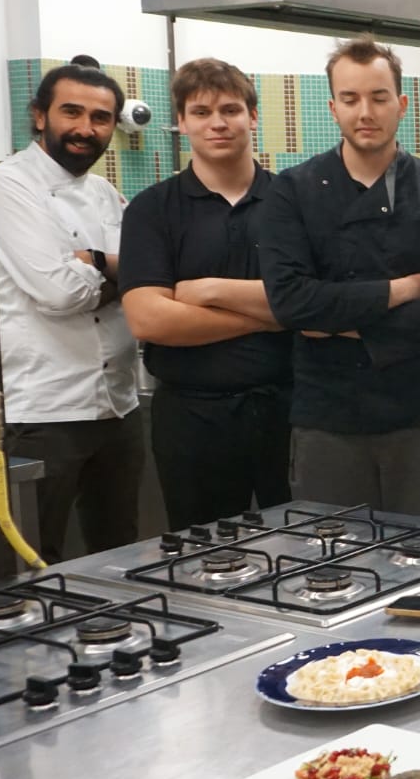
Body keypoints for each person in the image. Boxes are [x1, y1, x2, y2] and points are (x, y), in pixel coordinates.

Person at [256, 35, 420, 518]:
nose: (364, 112)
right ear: (333, 108)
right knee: (330, 567)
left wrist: (338, 319)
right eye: (350, 99)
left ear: (402, 104)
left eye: (378, 97)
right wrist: (404, 288)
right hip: (328, 419)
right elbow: (291, 303)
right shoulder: (292, 192)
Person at [119, 58, 291, 529]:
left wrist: (211, 291)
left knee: (309, 552)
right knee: (207, 561)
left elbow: (316, 302)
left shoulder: (294, 202)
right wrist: (271, 314)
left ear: (253, 117)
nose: (218, 123)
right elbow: (149, 321)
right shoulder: (152, 211)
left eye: (231, 110)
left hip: (292, 413)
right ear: (180, 122)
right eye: (201, 112)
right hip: (193, 420)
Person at [0, 55, 143, 562]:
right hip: (46, 409)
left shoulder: (104, 193)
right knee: (36, 560)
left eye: (100, 118)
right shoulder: (8, 184)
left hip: (118, 402)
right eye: (71, 112)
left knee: (118, 555)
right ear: (40, 116)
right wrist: (122, 274)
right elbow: (60, 293)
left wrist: (99, 264)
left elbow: (148, 269)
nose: (85, 129)